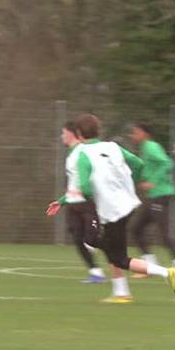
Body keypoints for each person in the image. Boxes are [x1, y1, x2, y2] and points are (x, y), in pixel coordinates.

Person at [46, 114, 175, 303]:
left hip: (112, 212)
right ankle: (121, 291)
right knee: (108, 248)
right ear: (98, 130)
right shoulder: (112, 146)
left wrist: (87, 197)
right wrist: (130, 182)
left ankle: (168, 273)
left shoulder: (82, 155)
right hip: (128, 204)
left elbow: (83, 187)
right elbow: (138, 164)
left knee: (113, 254)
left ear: (78, 133)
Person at [47, 121, 105, 284]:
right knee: (78, 238)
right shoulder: (71, 153)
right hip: (73, 205)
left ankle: (119, 255)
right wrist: (61, 201)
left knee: (91, 239)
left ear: (71, 133)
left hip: (87, 203)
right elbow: (74, 184)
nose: (61, 136)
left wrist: (92, 195)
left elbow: (92, 178)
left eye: (63, 132)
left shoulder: (83, 151)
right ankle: (96, 272)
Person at [128, 123, 175, 273]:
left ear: (144, 133)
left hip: (160, 195)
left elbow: (167, 163)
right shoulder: (145, 148)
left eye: (136, 132)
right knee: (135, 228)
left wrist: (153, 181)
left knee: (164, 234)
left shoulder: (151, 146)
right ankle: (150, 265)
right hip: (153, 197)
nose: (133, 135)